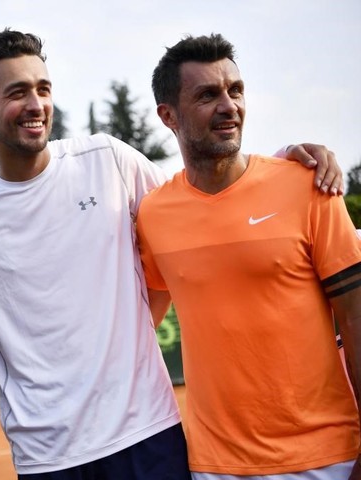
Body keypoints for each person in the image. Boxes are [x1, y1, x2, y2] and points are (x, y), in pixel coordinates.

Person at [0, 29, 346, 479]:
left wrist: (283, 166)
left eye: (43, 89)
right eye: (17, 93)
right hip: (48, 454)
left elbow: (201, 195)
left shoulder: (108, 159)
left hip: (148, 433)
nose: (36, 105)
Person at [137, 33, 361, 479]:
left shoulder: (309, 186)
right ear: (168, 115)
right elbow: (141, 325)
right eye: (207, 95)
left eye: (235, 90)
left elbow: (356, 319)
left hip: (328, 459)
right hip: (215, 466)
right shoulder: (153, 213)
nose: (229, 106)